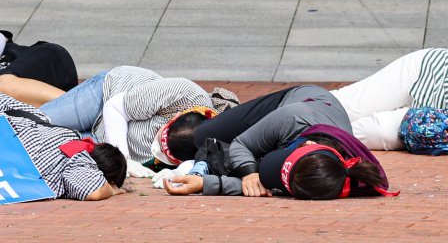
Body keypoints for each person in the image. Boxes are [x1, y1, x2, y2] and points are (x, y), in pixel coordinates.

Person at [164, 85, 394, 199]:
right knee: (201, 137)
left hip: (295, 135)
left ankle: (259, 155)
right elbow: (241, 145)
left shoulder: (324, 181)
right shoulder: (293, 117)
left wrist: (204, 185)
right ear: (305, 147)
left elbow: (269, 189)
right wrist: (249, 173)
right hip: (293, 102)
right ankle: (228, 110)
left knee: (228, 156)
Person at [35, 65, 216, 177]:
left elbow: (200, 165)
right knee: (34, 123)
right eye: (159, 141)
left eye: (164, 155)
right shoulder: (184, 93)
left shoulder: (206, 148)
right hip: (105, 96)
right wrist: (123, 159)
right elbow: (114, 107)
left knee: (41, 145)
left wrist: (179, 173)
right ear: (175, 118)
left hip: (103, 141)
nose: (156, 150)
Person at [328, 48, 448, 150]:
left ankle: (318, 139)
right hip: (432, 71)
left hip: (435, 124)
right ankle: (312, 123)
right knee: (345, 106)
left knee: (375, 132)